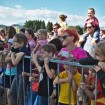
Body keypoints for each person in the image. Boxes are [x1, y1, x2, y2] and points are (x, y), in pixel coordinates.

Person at [10, 33, 30, 105]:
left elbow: (14, 62)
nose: (13, 43)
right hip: (19, 73)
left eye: (15, 41)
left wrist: (12, 55)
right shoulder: (19, 49)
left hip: (24, 75)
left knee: (20, 95)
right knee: (12, 92)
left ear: (21, 43)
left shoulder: (23, 50)